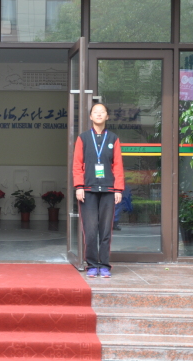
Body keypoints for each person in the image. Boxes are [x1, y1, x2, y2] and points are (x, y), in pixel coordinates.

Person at [73, 103, 124, 278]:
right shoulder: (83, 138)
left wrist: (118, 189)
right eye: (96, 112)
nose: (99, 114)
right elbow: (77, 164)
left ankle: (104, 265)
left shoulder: (113, 138)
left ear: (107, 116)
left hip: (109, 190)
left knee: (105, 230)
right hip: (88, 189)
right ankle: (92, 265)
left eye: (102, 112)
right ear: (91, 116)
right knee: (90, 230)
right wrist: (79, 186)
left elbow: (118, 165)